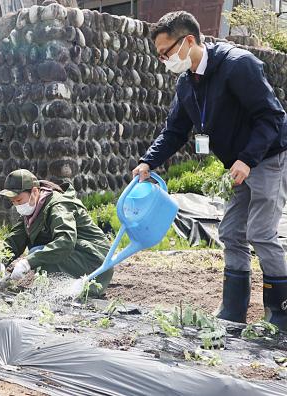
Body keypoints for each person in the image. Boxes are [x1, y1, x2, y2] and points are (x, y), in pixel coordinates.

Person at [133, 11, 287, 329]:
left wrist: (247, 158)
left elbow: (270, 116)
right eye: (160, 55)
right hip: (238, 165)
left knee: (260, 232)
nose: (164, 60)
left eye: (166, 52)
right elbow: (174, 130)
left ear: (189, 40)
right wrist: (148, 160)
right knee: (231, 232)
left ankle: (280, 313)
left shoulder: (238, 65)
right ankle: (234, 310)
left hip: (268, 156)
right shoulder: (188, 83)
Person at [0, 169, 113, 296]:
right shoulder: (31, 211)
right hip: (76, 256)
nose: (17, 205)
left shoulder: (58, 207)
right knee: (36, 251)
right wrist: (0, 261)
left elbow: (65, 241)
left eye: (19, 200)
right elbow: (15, 240)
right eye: (13, 202)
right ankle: (57, 288)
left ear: (34, 192)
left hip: (95, 261)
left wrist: (28, 262)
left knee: (37, 253)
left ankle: (71, 288)